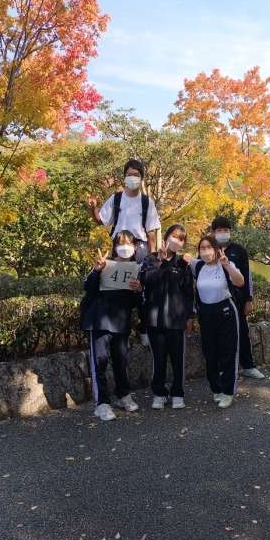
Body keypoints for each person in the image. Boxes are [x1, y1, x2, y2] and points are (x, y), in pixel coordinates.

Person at [88, 158, 160, 346]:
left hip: (140, 248)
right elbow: (100, 220)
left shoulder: (147, 202)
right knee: (119, 289)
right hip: (119, 246)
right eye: (129, 175)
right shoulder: (116, 198)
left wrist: (152, 256)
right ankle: (121, 332)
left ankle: (144, 328)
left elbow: (151, 231)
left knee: (142, 288)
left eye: (136, 175)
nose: (132, 178)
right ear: (124, 177)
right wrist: (93, 207)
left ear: (141, 178)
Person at [80, 230, 143, 421]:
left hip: (121, 322)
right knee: (100, 361)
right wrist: (96, 271)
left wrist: (138, 290)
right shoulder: (104, 264)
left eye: (129, 244)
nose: (125, 247)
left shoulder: (136, 269)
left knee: (121, 360)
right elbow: (88, 288)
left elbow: (135, 303)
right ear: (115, 246)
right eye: (121, 243)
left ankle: (123, 395)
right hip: (99, 321)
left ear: (135, 247)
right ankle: (102, 404)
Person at [139, 224, 194, 410]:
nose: (176, 241)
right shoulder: (150, 259)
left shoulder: (183, 263)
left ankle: (178, 393)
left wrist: (190, 316)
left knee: (178, 360)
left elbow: (189, 292)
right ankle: (159, 393)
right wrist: (160, 262)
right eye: (174, 236)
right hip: (155, 320)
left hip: (177, 321)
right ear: (166, 237)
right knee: (159, 359)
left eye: (181, 239)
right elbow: (146, 281)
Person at [186, 236, 244, 409]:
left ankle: (228, 391)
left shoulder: (225, 264)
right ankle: (216, 388)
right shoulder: (198, 266)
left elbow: (240, 282)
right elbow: (184, 258)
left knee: (228, 352)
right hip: (206, 313)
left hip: (226, 312)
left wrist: (227, 265)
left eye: (209, 247)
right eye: (202, 248)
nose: (205, 251)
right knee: (210, 353)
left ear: (217, 249)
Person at [211, 216, 265, 379]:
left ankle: (248, 366)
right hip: (216, 300)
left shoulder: (239, 250)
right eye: (219, 230)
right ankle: (221, 368)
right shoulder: (208, 249)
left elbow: (247, 276)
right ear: (213, 232)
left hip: (237, 299)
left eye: (225, 230)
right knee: (218, 335)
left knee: (242, 332)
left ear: (230, 232)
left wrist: (248, 299)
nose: (222, 233)